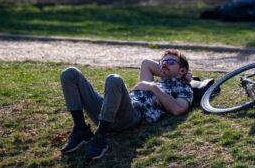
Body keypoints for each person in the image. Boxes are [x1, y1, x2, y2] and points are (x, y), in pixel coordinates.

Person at [59, 50, 193, 161]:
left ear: (181, 70)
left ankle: (100, 137)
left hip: (131, 114)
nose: (164, 64)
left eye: (170, 62)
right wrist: (167, 68)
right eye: (162, 61)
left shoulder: (183, 88)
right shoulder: (153, 81)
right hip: (108, 109)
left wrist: (153, 87)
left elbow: (178, 109)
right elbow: (146, 63)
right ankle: (81, 129)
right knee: (69, 73)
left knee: (114, 79)